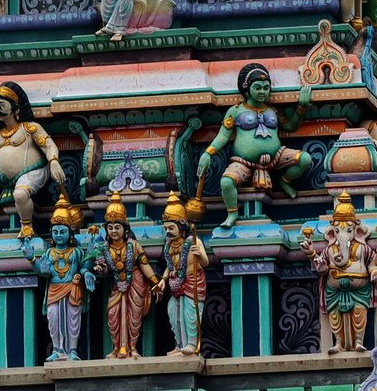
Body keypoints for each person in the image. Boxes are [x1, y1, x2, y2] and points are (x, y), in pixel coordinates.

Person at [197, 63, 312, 228]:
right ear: (246, 89)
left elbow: (290, 126)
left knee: (305, 159)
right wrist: (208, 153)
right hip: (244, 162)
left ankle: (285, 181)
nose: (262, 92)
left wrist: (302, 106)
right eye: (257, 87)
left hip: (277, 156)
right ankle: (232, 212)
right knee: (226, 182)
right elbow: (223, 135)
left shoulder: (273, 111)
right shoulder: (235, 111)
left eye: (266, 88)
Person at [0, 82, 65, 239]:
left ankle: (27, 227)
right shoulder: (2, 133)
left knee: (20, 195)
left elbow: (48, 145)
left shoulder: (30, 128)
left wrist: (54, 162)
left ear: (15, 109)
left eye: (1, 106)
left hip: (32, 171)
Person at [300, 192, 377, 353]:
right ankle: (338, 343)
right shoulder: (330, 250)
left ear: (357, 231)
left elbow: (373, 264)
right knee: (335, 316)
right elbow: (322, 268)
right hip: (335, 291)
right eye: (338, 231)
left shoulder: (362, 248)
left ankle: (359, 341)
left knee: (359, 313)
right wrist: (311, 253)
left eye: (348, 230)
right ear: (332, 233)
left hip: (359, 290)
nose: (343, 234)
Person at [28, 196, 96, 362]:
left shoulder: (76, 252)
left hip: (72, 290)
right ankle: (58, 350)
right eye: (55, 232)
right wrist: (32, 260)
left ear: (70, 232)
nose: (59, 235)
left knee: (73, 321)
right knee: (54, 320)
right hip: (54, 290)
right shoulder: (49, 253)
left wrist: (87, 272)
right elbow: (44, 272)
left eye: (63, 231)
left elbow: (85, 264)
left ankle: (72, 350)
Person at [93, 191, 160, 358]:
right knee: (113, 315)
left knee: (134, 317)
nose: (114, 231)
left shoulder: (133, 245)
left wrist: (155, 281)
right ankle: (117, 348)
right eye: (110, 228)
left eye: (117, 227)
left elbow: (144, 264)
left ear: (125, 228)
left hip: (135, 283)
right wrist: (100, 269)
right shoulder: (104, 248)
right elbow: (105, 269)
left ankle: (132, 348)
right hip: (117, 286)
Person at [156, 193, 208, 355]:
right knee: (174, 313)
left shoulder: (194, 241)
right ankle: (179, 345)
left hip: (193, 283)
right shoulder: (169, 245)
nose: (168, 232)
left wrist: (199, 253)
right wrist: (163, 280)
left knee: (190, 315)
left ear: (182, 225)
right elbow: (170, 266)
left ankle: (192, 345)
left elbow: (205, 263)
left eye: (171, 228)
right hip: (176, 283)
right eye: (165, 229)